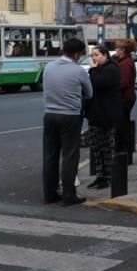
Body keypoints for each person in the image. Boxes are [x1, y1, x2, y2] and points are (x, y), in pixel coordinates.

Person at [42, 38, 93, 206]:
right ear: (77, 54)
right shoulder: (78, 71)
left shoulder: (48, 67)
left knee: (50, 155)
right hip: (70, 116)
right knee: (70, 155)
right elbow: (89, 93)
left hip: (49, 114)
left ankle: (49, 193)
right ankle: (69, 195)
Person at [86, 46, 121, 190]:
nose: (94, 58)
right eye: (92, 56)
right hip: (95, 114)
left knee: (107, 147)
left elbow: (97, 83)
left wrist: (93, 70)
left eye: (97, 55)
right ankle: (100, 176)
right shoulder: (99, 70)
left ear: (105, 55)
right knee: (96, 147)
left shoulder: (111, 69)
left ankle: (108, 177)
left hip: (107, 116)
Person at [115, 39, 137, 154]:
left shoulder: (126, 63)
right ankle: (125, 150)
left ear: (123, 50)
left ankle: (123, 151)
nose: (116, 51)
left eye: (117, 48)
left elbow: (123, 82)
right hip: (127, 97)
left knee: (122, 125)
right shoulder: (124, 61)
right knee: (123, 123)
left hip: (125, 98)